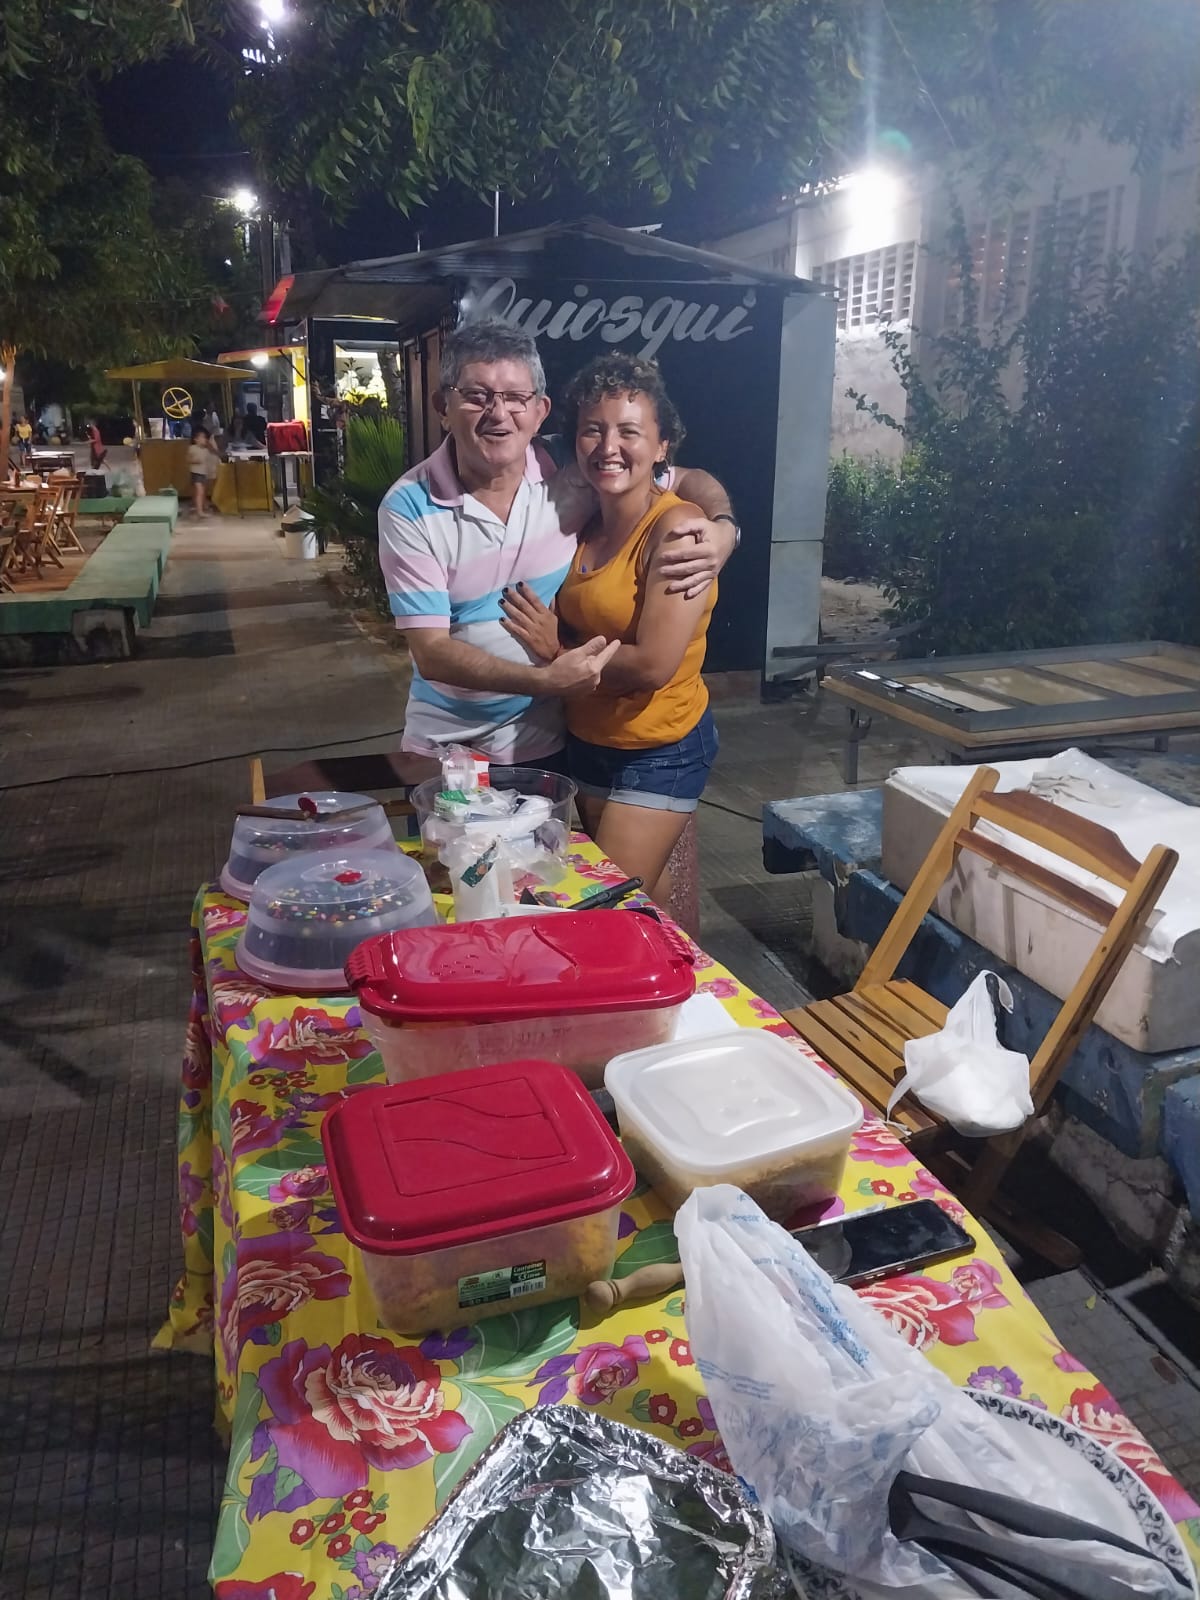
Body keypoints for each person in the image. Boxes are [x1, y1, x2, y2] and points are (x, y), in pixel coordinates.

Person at [377, 319, 737, 770]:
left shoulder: (571, 466)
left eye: (516, 397)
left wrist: (725, 530)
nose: (498, 413)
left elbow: (686, 478)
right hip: (447, 750)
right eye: (477, 395)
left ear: (540, 410)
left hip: (550, 743)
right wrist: (547, 678)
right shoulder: (409, 506)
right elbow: (432, 653)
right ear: (442, 407)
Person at [501, 354, 717, 905]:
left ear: (662, 445)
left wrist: (557, 650)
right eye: (593, 430)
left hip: (659, 747)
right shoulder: (583, 522)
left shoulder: (678, 531)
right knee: (644, 902)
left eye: (629, 432)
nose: (608, 446)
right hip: (589, 739)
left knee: (603, 901)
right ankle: (680, 964)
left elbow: (652, 665)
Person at [187, 425, 219, 518]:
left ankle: (200, 507)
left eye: (205, 438)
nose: (204, 439)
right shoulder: (192, 448)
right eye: (202, 437)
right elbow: (187, 459)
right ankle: (199, 511)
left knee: (202, 492)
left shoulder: (205, 450)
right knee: (199, 491)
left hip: (203, 473)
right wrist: (195, 461)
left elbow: (214, 452)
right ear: (196, 439)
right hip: (196, 473)